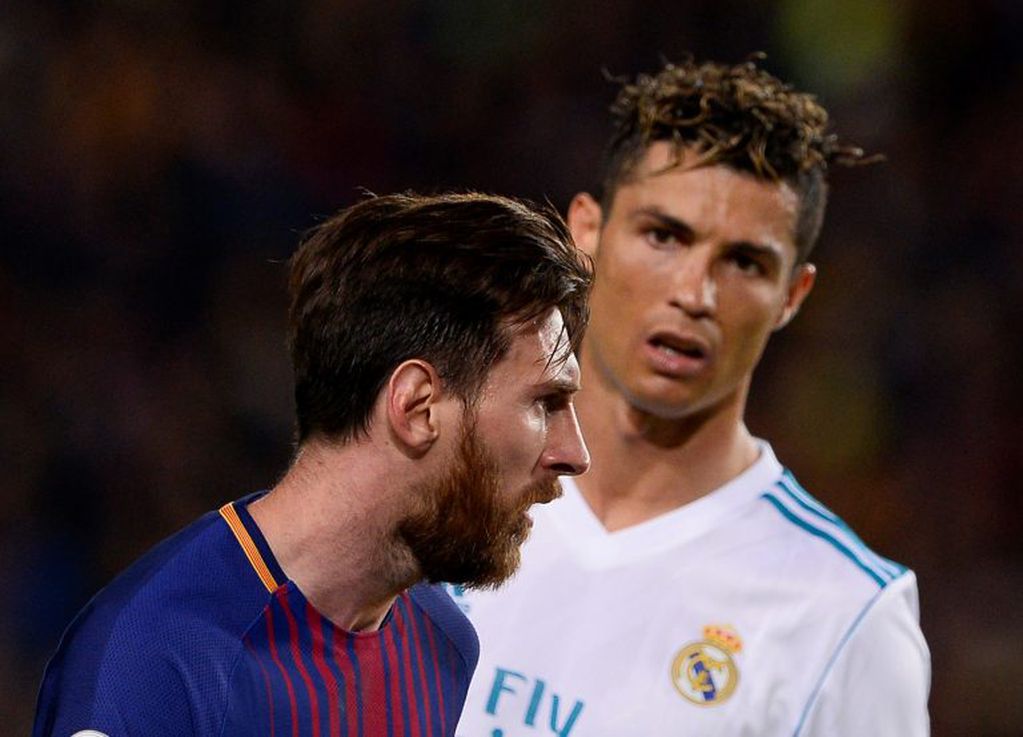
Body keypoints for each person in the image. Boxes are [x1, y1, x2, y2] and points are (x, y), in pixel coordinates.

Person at [453, 57, 930, 736]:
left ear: (792, 296)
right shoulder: (442, 489)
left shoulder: (844, 613)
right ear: (586, 233)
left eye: (743, 262)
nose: (694, 293)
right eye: (663, 235)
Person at [33, 191, 593, 737]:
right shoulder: (151, 667)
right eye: (546, 403)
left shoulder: (442, 641)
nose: (575, 453)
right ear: (417, 406)